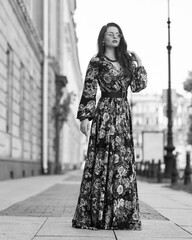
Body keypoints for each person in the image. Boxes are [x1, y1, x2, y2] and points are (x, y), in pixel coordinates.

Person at [72, 22, 147, 230]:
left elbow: (139, 86)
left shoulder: (126, 62)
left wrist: (138, 61)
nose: (115, 36)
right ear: (103, 38)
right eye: (110, 34)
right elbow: (88, 89)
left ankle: (121, 216)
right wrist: (85, 118)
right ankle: (97, 216)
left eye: (118, 34)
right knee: (102, 162)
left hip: (123, 114)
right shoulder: (96, 61)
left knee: (122, 164)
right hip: (104, 114)